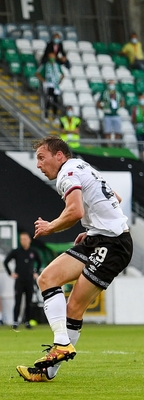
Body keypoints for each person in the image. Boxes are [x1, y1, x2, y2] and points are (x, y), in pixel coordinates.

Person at [17, 135, 132, 382]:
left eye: (42, 157)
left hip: (113, 245)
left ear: (59, 156)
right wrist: (93, 228)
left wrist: (50, 226)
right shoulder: (82, 166)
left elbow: (75, 211)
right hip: (98, 239)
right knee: (47, 279)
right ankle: (53, 360)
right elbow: (116, 199)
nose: (38, 164)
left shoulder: (66, 174)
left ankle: (57, 352)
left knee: (74, 307)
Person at [4, 231, 41, 330]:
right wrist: (10, 273)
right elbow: (6, 261)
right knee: (18, 302)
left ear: (29, 240)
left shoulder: (33, 252)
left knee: (29, 302)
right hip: (19, 281)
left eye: (25, 239)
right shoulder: (16, 251)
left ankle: (27, 321)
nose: (23, 241)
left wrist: (36, 272)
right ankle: (15, 321)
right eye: (21, 239)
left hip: (29, 280)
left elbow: (40, 262)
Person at [36, 52, 64, 121]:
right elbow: (37, 74)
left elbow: (63, 74)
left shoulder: (57, 65)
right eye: (50, 57)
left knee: (55, 101)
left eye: (53, 57)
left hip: (56, 86)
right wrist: (44, 80)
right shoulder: (45, 65)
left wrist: (60, 80)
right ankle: (46, 116)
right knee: (48, 100)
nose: (52, 58)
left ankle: (55, 117)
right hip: (49, 85)